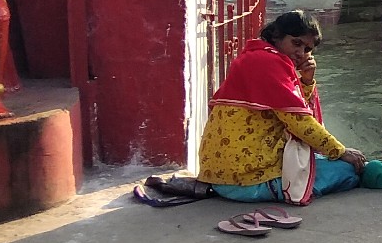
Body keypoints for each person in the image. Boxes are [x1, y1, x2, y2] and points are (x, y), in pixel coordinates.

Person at [146, 11, 366, 203]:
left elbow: (293, 111)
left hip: (220, 176)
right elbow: (301, 123)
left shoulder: (256, 57)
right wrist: (341, 151)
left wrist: (306, 81)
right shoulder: (270, 63)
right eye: (296, 43)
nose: (301, 53)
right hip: (250, 181)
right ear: (277, 36)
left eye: (307, 49)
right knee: (348, 171)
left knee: (323, 160)